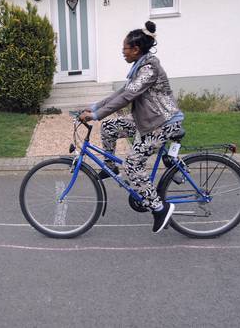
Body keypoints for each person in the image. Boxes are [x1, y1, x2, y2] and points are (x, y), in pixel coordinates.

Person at [79, 21, 184, 234]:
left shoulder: (149, 68)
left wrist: (96, 115)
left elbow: (127, 97)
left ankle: (159, 209)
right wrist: (93, 108)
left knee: (133, 166)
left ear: (136, 49)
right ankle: (110, 166)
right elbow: (120, 93)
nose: (123, 53)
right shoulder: (139, 67)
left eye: (124, 49)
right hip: (147, 121)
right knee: (109, 126)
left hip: (162, 124)